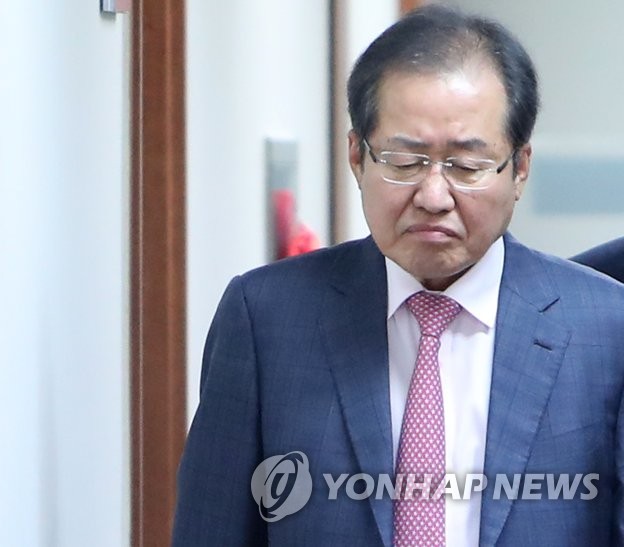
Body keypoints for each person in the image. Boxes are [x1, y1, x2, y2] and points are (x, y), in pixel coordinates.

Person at [172, 5, 624, 546]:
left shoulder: (607, 329)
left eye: (467, 166)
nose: (433, 196)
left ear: (520, 168)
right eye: (403, 162)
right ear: (357, 157)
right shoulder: (267, 319)